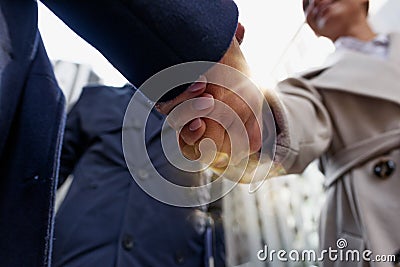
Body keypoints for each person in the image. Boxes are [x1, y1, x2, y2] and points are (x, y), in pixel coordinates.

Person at [0, 1, 239, 265]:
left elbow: (219, 211)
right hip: (79, 256)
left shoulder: (206, 121)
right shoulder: (96, 99)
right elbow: (41, 171)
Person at [166, 0, 400, 265]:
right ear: (312, 28)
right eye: (307, 3)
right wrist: (251, 122)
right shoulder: (311, 84)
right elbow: (297, 118)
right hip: (376, 226)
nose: (316, 3)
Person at [52, 84, 225, 267]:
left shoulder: (212, 126)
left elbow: (220, 215)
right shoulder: (98, 99)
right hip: (80, 257)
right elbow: (43, 177)